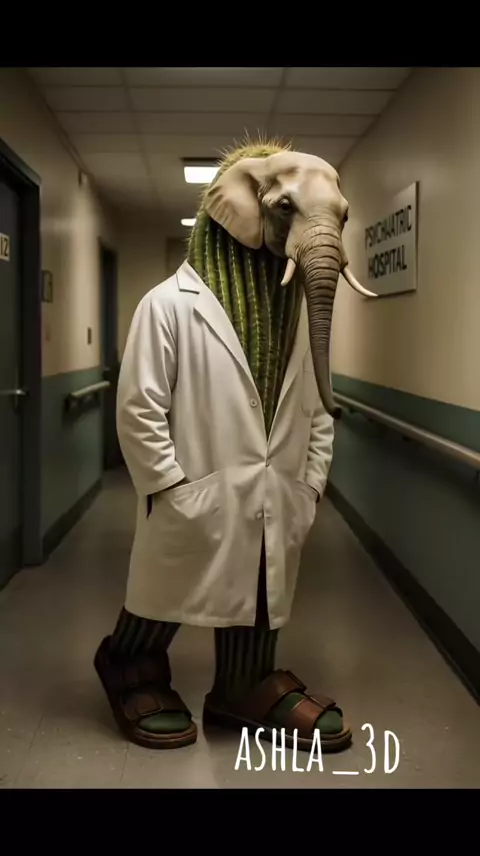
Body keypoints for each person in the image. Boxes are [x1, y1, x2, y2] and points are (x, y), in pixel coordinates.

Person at [94, 139, 362, 753]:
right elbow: (138, 408)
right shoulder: (167, 305)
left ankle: (244, 685)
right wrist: (170, 487)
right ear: (242, 209)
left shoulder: (299, 315)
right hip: (189, 491)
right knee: (166, 590)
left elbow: (317, 405)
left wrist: (310, 484)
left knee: (260, 590)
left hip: (277, 491)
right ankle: (130, 665)